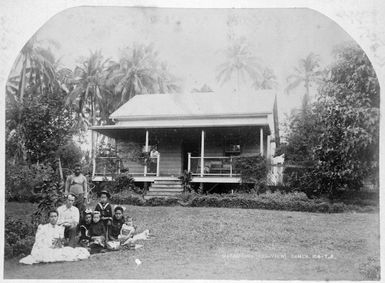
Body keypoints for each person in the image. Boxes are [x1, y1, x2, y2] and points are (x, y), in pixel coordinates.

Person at [19, 210, 89, 265]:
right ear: (49, 218)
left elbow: (61, 241)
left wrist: (57, 244)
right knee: (45, 254)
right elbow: (38, 241)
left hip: (56, 247)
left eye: (55, 216)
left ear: (57, 217)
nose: (53, 218)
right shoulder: (43, 227)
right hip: (44, 247)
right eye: (51, 217)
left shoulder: (60, 228)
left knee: (69, 252)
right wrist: (48, 245)